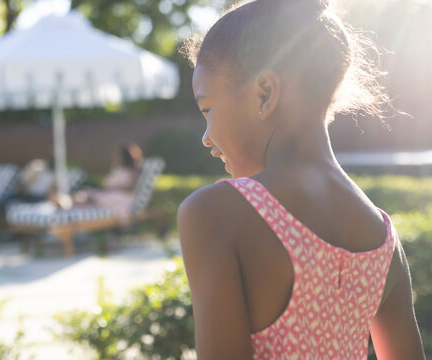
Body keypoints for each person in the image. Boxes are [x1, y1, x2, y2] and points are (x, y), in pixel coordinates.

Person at [177, 0, 425, 359]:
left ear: (265, 93)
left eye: (207, 109)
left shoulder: (214, 213)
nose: (206, 136)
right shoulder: (383, 238)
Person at [72, 143, 143, 219]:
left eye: (118, 155)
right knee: (83, 197)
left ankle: (66, 206)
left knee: (83, 196)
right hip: (115, 199)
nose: (115, 157)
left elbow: (106, 184)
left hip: (116, 201)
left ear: (123, 157)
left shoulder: (127, 174)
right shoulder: (131, 173)